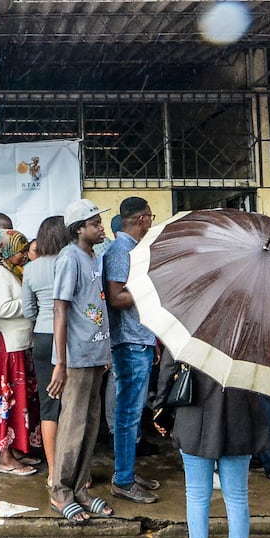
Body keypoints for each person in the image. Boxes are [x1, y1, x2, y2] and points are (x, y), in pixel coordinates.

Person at [48, 198, 113, 526]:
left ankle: (80, 488)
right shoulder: (70, 259)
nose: (101, 227)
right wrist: (60, 362)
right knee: (72, 425)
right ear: (79, 229)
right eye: (96, 223)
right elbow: (60, 310)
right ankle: (60, 490)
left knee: (90, 424)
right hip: (74, 359)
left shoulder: (93, 256)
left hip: (95, 355)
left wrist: (106, 353)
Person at [173, 367, 265, 538]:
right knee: (237, 498)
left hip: (195, 419)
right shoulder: (253, 333)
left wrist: (160, 408)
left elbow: (168, 371)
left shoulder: (192, 331)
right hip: (239, 420)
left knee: (197, 496)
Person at [103, 196, 161, 504]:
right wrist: (151, 286)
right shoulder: (120, 250)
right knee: (127, 414)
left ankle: (125, 471)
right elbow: (116, 297)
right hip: (128, 343)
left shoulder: (130, 249)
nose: (151, 222)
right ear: (141, 219)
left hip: (140, 340)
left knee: (133, 414)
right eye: (151, 217)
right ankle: (123, 480)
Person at [0, 228, 39, 476]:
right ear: (5, 252)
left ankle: (14, 449)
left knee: (19, 402)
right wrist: (32, 301)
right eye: (20, 251)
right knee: (6, 402)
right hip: (8, 347)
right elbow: (2, 308)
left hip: (20, 344)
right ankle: (5, 458)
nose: (25, 255)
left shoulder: (13, 271)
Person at [21, 215, 72, 490]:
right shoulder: (74, 261)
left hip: (42, 338)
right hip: (72, 339)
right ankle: (76, 471)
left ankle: (53, 473)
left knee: (49, 404)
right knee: (74, 405)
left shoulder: (31, 268)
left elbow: (28, 310)